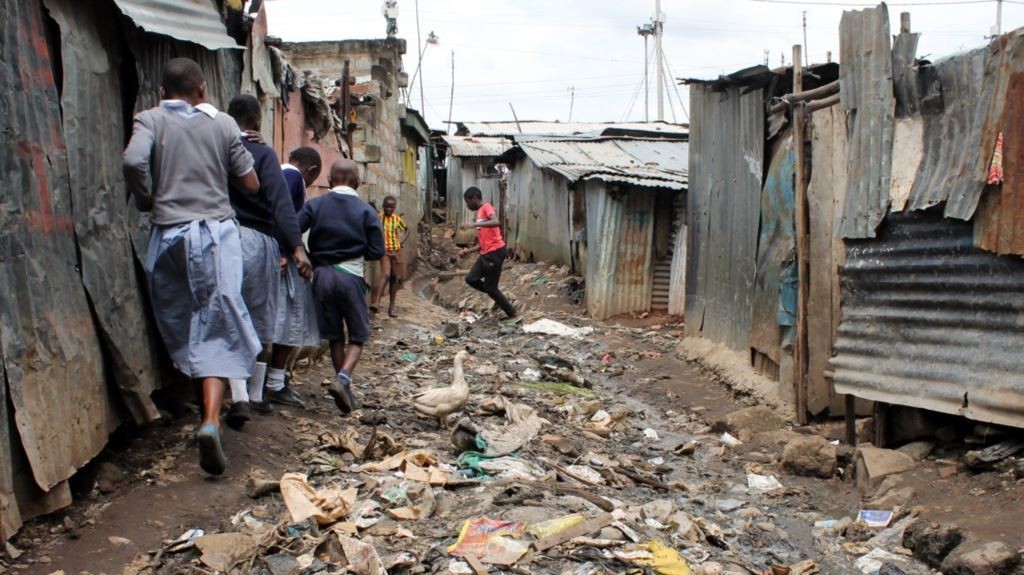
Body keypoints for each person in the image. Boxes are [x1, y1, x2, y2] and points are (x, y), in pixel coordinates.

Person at [123, 57, 260, 475]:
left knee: (182, 320)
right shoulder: (222, 124)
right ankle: (211, 420)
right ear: (203, 88)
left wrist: (148, 198)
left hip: (169, 236)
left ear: (163, 92)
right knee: (216, 325)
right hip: (217, 236)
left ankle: (195, 405)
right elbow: (250, 182)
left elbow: (132, 163)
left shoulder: (149, 119)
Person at [223, 95, 313, 429]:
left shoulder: (216, 150)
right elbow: (281, 205)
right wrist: (297, 249)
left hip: (218, 238)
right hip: (256, 242)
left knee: (225, 316)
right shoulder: (263, 154)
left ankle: (231, 395)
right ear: (258, 121)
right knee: (259, 318)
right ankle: (256, 394)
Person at [298, 160, 385, 415]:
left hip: (321, 275)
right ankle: (344, 378)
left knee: (335, 336)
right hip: (351, 276)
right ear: (357, 182)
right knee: (358, 335)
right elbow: (377, 250)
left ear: (329, 179)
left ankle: (342, 385)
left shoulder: (315, 205)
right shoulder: (366, 211)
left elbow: (292, 227)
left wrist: (303, 254)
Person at [264, 147, 324, 409]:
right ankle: (273, 383)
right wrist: (284, 250)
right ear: (310, 171)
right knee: (287, 317)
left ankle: (259, 386)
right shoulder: (292, 177)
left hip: (265, 249)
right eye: (313, 179)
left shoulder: (274, 172)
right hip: (279, 255)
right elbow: (282, 213)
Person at [457, 187, 518, 319]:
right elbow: (483, 242)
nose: (467, 205)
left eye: (467, 202)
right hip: (486, 253)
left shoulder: (486, 207)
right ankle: (496, 295)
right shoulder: (479, 213)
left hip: (495, 252)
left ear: (474, 198)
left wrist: (472, 225)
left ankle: (512, 314)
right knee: (471, 279)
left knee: (491, 288)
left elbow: (496, 222)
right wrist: (468, 250)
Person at [370, 195, 409, 318]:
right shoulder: (379, 217)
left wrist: (401, 242)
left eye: (392, 207)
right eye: (387, 206)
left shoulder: (397, 219)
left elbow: (408, 229)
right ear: (383, 206)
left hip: (396, 251)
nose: (389, 209)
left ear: (395, 207)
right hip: (384, 251)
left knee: (394, 278)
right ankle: (376, 302)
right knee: (386, 273)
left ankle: (392, 307)